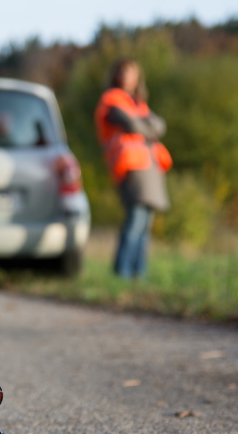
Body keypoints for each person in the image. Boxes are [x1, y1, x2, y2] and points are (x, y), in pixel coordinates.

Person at [95, 59, 172, 278]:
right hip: (129, 166)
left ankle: (139, 273)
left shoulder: (138, 103)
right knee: (135, 219)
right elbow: (133, 125)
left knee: (145, 222)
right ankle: (123, 272)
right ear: (116, 75)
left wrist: (144, 126)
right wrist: (146, 127)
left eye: (132, 73)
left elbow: (160, 125)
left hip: (149, 166)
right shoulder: (111, 100)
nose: (127, 77)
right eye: (123, 72)